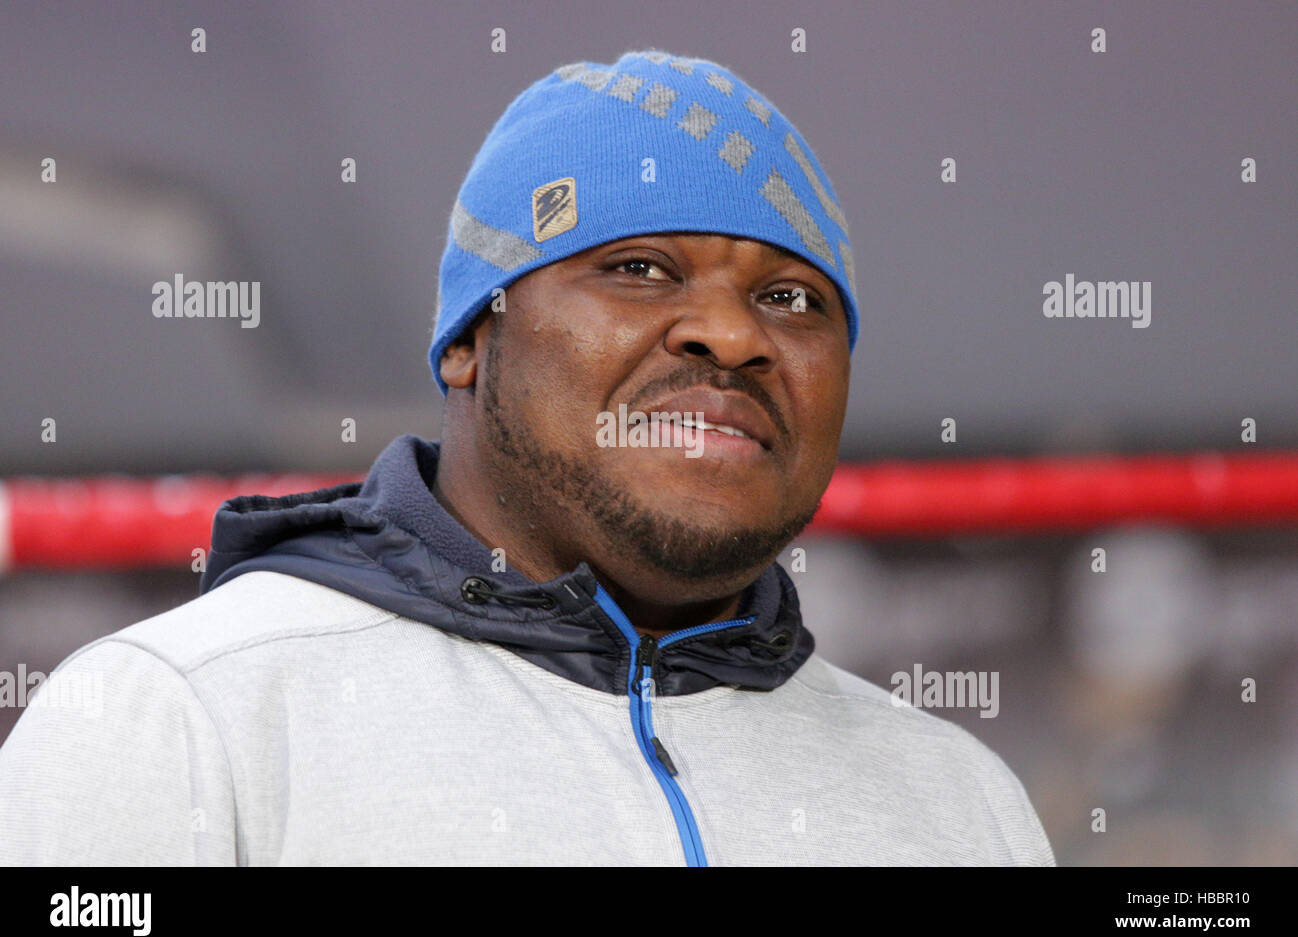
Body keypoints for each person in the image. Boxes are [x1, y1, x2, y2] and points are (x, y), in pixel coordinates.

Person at [0, 49, 1054, 866]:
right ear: (471, 336)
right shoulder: (182, 714)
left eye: (793, 299)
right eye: (640, 267)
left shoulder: (962, 802)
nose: (734, 335)